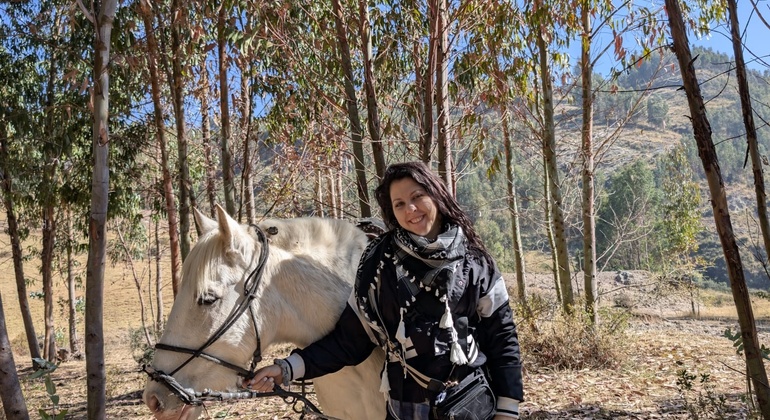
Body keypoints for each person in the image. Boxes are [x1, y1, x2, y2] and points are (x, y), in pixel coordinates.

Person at [244, 161, 523, 419]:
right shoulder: (378, 267)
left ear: (436, 194)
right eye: (399, 204)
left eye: (416, 197)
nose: (410, 210)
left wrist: (508, 408)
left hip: (470, 404)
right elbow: (348, 342)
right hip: (405, 409)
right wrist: (287, 368)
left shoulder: (476, 263)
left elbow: (502, 337)